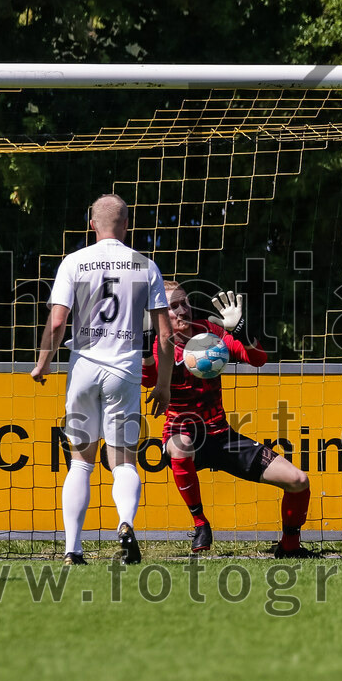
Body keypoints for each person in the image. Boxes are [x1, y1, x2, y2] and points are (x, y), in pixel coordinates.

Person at [31, 194, 173, 567]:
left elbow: (58, 322)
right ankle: (125, 524)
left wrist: (43, 362)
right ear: (126, 225)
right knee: (124, 461)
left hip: (84, 369)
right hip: (123, 372)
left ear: (91, 224)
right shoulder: (145, 265)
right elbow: (164, 335)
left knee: (80, 462)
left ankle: (72, 550)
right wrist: (163, 384)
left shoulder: (73, 262)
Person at [141, 280, 317, 558]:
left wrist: (242, 332)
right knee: (179, 446)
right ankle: (201, 524)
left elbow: (257, 358)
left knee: (298, 480)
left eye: (184, 302)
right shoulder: (159, 345)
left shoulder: (209, 332)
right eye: (173, 307)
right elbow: (148, 379)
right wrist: (142, 348)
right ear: (161, 315)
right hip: (183, 432)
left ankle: (290, 546)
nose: (183, 311)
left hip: (222, 436)